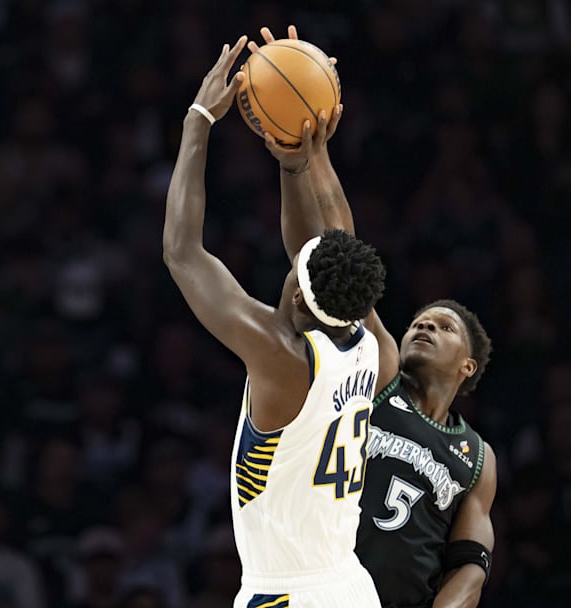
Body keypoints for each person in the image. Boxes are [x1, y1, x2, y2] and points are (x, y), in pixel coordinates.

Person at [254, 25, 498, 608]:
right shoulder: (377, 374)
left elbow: (469, 569)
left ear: (468, 366)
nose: (423, 325)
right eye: (421, 318)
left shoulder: (477, 459)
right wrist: (313, 154)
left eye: (443, 326)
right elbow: (337, 248)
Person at [162, 35, 387, 607]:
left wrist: (198, 121)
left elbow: (183, 252)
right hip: (351, 586)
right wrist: (304, 158)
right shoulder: (370, 346)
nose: (289, 269)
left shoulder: (284, 359)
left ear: (301, 303)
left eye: (294, 275)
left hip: (287, 597)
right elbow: (334, 236)